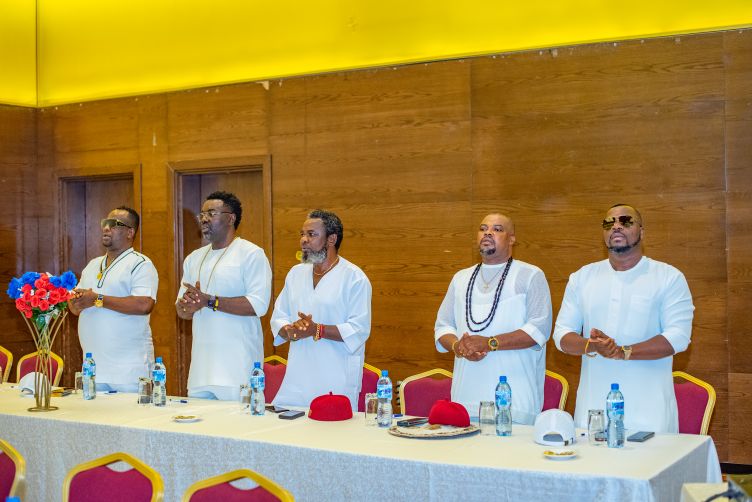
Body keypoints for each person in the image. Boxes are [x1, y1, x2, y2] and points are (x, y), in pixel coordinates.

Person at [553, 204, 694, 433]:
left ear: (642, 232)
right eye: (609, 223)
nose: (616, 226)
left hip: (650, 413)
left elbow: (678, 338)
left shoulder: (668, 277)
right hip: (593, 411)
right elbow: (561, 336)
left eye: (626, 221)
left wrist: (622, 351)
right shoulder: (582, 277)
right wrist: (593, 346)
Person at [434, 213, 552, 423]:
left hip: (515, 403)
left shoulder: (530, 275)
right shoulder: (460, 278)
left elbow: (538, 330)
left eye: (497, 229)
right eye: (483, 228)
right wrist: (457, 346)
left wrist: (489, 343)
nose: (488, 233)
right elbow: (443, 327)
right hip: (465, 401)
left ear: (512, 239)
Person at [271, 210, 371, 409]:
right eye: (302, 234)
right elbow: (279, 316)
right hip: (298, 377)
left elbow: (358, 329)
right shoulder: (295, 273)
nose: (304, 240)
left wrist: (316, 329)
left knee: (331, 425)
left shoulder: (354, 278)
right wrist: (289, 330)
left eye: (311, 234)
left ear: (331, 239)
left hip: (336, 377)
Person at [176, 191, 272, 401]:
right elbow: (181, 310)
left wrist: (209, 301)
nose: (204, 219)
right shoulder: (193, 258)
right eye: (202, 214)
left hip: (237, 369)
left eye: (211, 213)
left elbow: (258, 305)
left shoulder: (251, 254)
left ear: (231, 218)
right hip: (201, 371)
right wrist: (187, 307)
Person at [69, 207, 158, 392]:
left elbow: (144, 304)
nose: (106, 228)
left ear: (130, 232)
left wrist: (97, 299)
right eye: (105, 223)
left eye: (114, 224)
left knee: (129, 412)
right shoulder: (92, 265)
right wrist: (75, 301)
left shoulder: (140, 264)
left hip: (128, 370)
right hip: (93, 367)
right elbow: (75, 306)